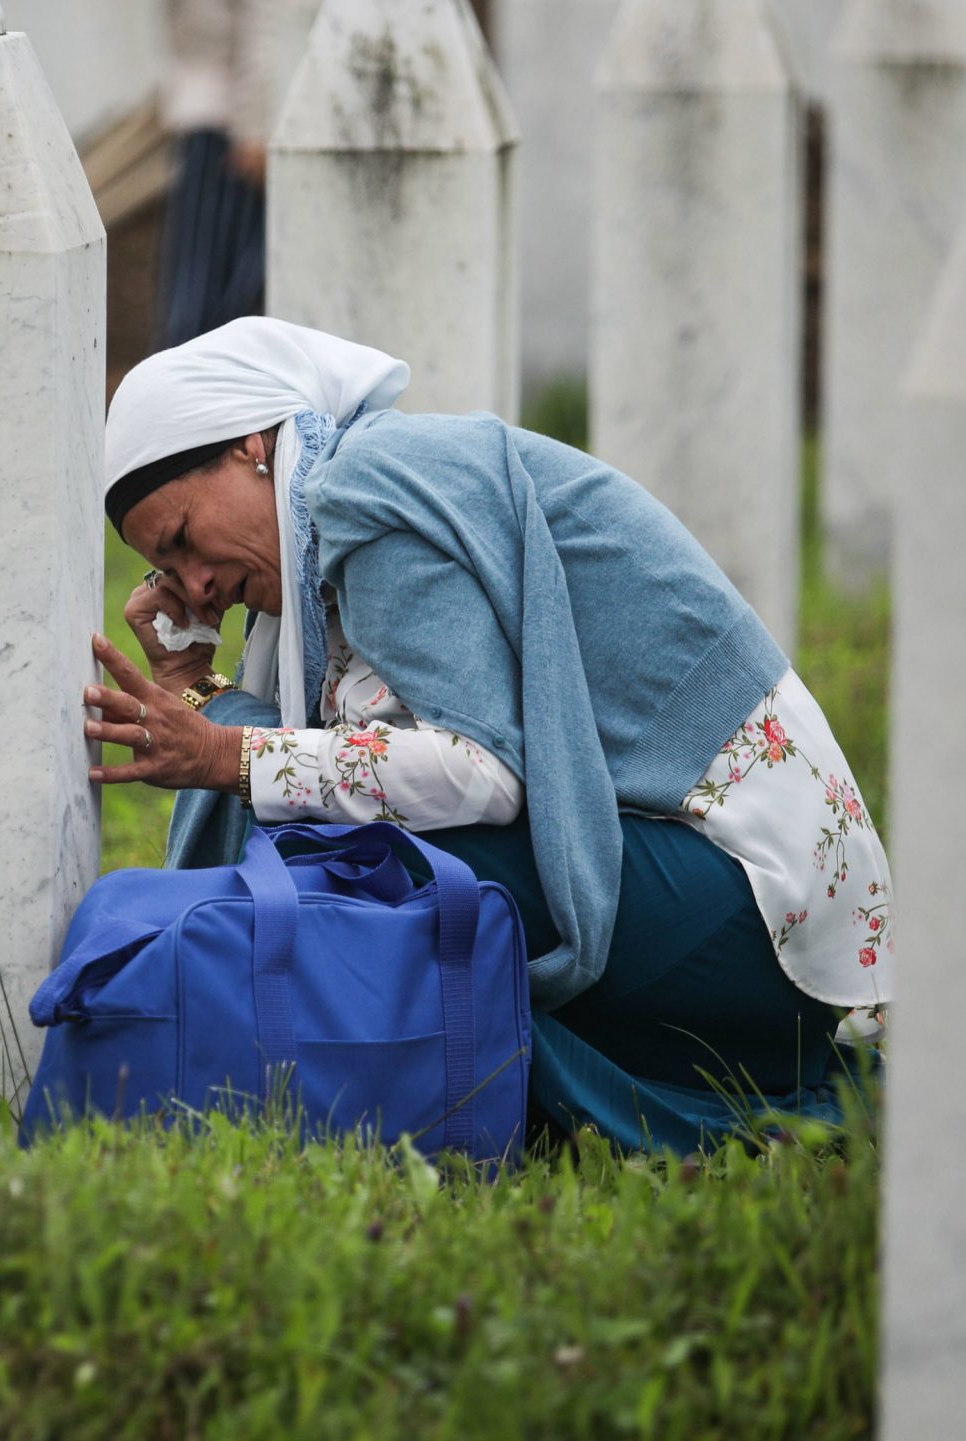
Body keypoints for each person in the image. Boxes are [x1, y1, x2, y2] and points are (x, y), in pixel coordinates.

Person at [78, 320, 891, 1151]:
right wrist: (197, 690)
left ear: (252, 446)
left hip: (755, 901)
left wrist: (222, 750)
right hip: (725, 898)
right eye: (167, 572)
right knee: (338, 845)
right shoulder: (341, 512)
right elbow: (354, 764)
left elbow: (478, 773)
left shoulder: (364, 492)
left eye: (183, 540)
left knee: (363, 860)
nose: (199, 583)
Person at [157, 0, 274, 348]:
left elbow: (259, 24)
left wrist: (253, 127)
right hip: (215, 124)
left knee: (211, 294)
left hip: (225, 128)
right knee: (202, 292)